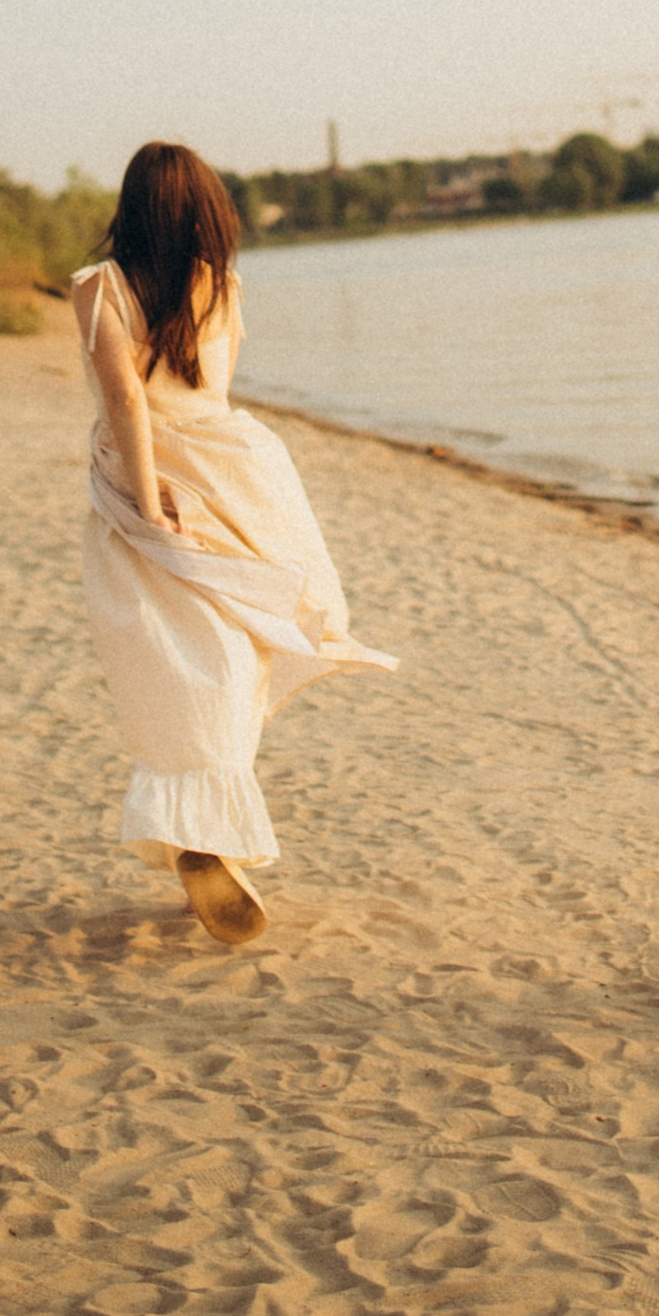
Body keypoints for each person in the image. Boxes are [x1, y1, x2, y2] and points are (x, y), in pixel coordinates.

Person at [71, 140, 393, 945]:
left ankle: (199, 835)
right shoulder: (219, 282)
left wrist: (146, 502)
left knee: (170, 652)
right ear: (206, 209)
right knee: (241, 641)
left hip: (150, 476)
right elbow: (208, 391)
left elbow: (127, 399)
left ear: (131, 206)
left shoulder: (98, 286)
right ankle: (204, 837)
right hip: (236, 468)